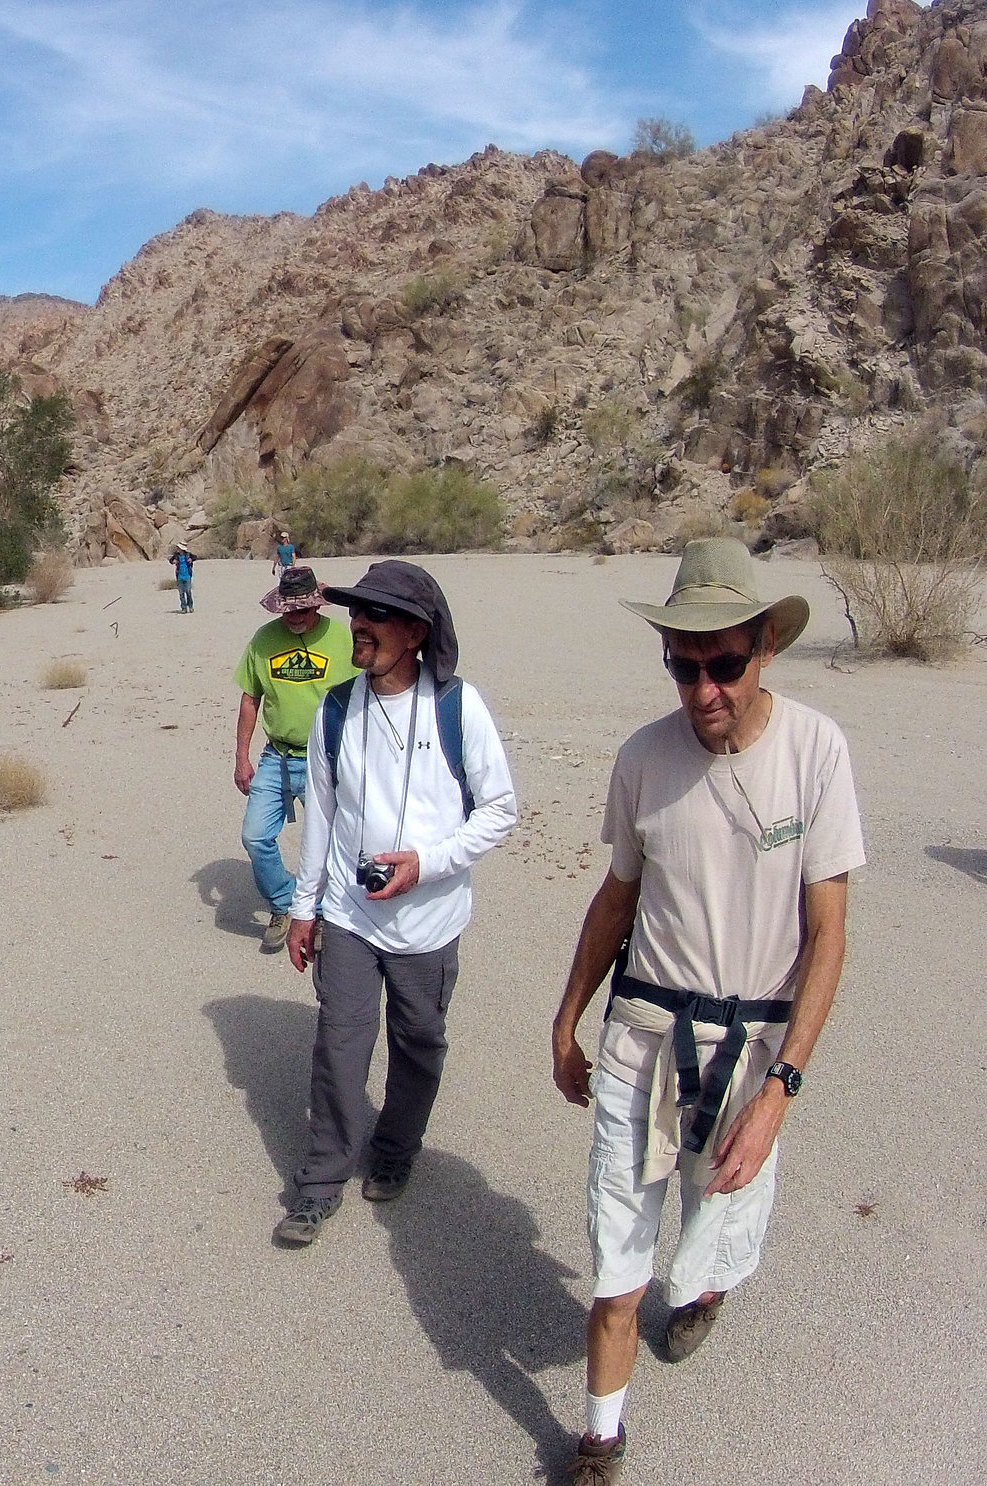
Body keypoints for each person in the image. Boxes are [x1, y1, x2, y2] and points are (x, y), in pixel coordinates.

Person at [549, 541, 861, 1484]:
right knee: (618, 1256)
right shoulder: (643, 758)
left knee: (712, 1221)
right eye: (683, 666)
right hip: (644, 1036)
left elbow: (829, 934)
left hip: (755, 1043)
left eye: (722, 663)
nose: (703, 690)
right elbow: (616, 897)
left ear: (765, 648)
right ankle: (601, 1436)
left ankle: (709, 1285)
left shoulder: (816, 751)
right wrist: (566, 1019)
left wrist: (781, 1092)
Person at [274, 560, 517, 1248]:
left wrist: (427, 864)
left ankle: (395, 1148)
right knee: (339, 1047)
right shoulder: (334, 709)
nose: (358, 625)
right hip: (351, 916)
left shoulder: (456, 707)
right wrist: (304, 908)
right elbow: (321, 813)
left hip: (431, 921)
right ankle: (319, 1184)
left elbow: (500, 810)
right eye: (356, 612)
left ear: (415, 632)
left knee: (420, 1044)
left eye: (376, 616)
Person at [233, 565, 357, 954]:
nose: (296, 618)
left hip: (330, 758)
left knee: (333, 841)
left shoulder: (342, 638)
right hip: (277, 757)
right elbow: (251, 698)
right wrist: (241, 757)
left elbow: (367, 696)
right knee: (254, 836)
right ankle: (284, 904)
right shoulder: (263, 641)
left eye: (303, 610)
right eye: (288, 611)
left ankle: (321, 913)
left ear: (317, 606)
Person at [170, 541, 197, 612]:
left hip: (187, 575)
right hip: (179, 576)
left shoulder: (188, 554)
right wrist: (173, 561)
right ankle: (184, 608)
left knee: (188, 591)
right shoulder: (176, 555)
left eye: (178, 548)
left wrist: (191, 559)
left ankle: (190, 606)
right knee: (181, 593)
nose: (177, 549)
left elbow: (195, 557)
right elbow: (170, 560)